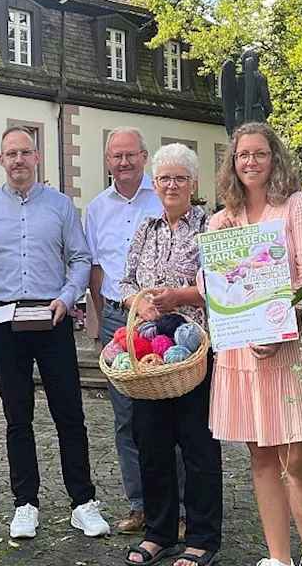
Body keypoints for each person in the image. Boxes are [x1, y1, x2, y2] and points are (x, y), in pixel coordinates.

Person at [0, 125, 111, 540]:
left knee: (69, 413)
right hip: (3, 320)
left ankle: (83, 501)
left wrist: (67, 298)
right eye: (11, 154)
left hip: (52, 317)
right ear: (1, 161)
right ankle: (25, 502)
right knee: (17, 415)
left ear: (37, 157)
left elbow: (80, 258)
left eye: (25, 152)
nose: (19, 160)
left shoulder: (61, 206)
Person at [208, 122, 302, 566]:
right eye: (243, 154)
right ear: (233, 161)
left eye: (260, 154)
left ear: (275, 158)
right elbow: (212, 282)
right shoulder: (221, 219)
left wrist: (281, 325)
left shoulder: (299, 205)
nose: (251, 162)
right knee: (262, 461)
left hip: (293, 349)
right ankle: (278, 558)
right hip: (244, 355)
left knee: (298, 466)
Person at [116, 143, 222, 566]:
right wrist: (137, 305)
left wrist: (184, 295)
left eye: (180, 178)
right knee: (151, 442)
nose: (172, 185)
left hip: (194, 351)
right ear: (154, 183)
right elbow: (124, 282)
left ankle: (202, 538)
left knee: (197, 445)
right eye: (164, 178)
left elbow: (225, 284)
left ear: (193, 184)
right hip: (148, 355)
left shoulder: (211, 226)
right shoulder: (146, 228)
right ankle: (160, 531)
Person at [84, 128, 185, 537]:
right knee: (127, 420)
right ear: (107, 161)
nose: (123, 162)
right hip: (116, 318)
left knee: (171, 416)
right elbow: (95, 267)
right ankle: (141, 504)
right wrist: (96, 319)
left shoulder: (161, 195)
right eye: (115, 156)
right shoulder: (95, 208)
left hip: (166, 317)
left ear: (144, 156)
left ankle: (178, 509)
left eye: (130, 155)